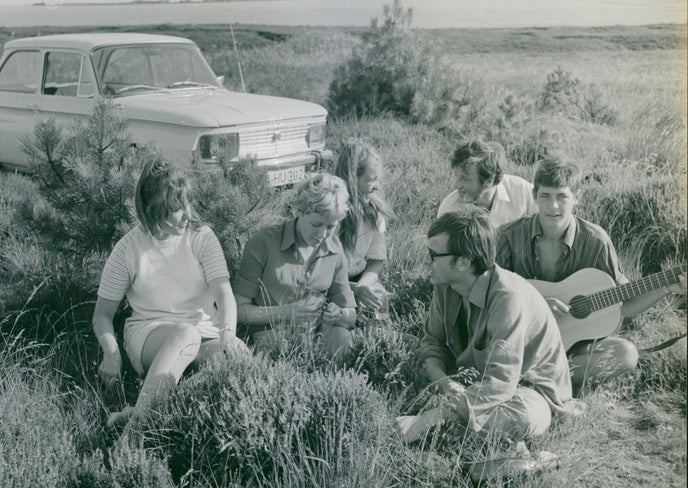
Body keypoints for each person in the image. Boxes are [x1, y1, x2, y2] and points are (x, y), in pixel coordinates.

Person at [397, 209, 572, 469]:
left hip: (528, 389)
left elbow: (501, 383)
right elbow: (431, 345)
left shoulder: (507, 297)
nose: (425, 260)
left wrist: (433, 416)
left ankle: (470, 440)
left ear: (463, 262)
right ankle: (501, 451)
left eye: (433, 255)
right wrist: (446, 384)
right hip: (475, 382)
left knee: (521, 416)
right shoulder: (446, 284)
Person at [496, 156, 686, 391]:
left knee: (626, 354)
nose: (553, 206)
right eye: (545, 196)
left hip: (573, 348)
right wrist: (538, 305)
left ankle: (533, 377)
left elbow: (623, 305)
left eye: (562, 196)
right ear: (535, 196)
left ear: (576, 197)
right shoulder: (510, 236)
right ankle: (540, 377)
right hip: (519, 339)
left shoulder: (596, 241)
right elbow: (491, 295)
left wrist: (666, 287)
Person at [93, 156, 245, 428]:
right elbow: (102, 315)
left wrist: (229, 337)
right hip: (150, 334)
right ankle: (136, 432)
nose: (187, 213)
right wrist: (111, 353)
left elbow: (224, 295)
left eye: (187, 202)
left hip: (204, 334)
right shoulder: (128, 248)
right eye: (177, 208)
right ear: (154, 211)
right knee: (186, 335)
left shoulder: (202, 237)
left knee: (240, 358)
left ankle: (140, 409)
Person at [233, 172, 357, 356]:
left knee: (345, 343)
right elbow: (239, 310)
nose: (323, 235)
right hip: (270, 334)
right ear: (299, 210)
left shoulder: (334, 249)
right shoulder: (264, 243)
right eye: (316, 225)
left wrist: (339, 315)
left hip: (315, 333)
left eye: (331, 227)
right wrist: (286, 312)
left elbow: (351, 316)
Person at [334, 139, 395, 317]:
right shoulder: (332, 216)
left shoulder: (373, 213)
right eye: (371, 180)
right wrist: (352, 290)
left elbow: (376, 261)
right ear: (353, 180)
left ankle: (378, 339)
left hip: (358, 279)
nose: (377, 186)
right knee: (345, 314)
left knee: (379, 298)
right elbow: (319, 273)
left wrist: (364, 285)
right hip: (328, 284)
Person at [437, 140, 537, 228]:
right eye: (456, 176)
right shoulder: (449, 211)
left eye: (465, 179)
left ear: (489, 181)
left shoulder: (524, 193)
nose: (456, 185)